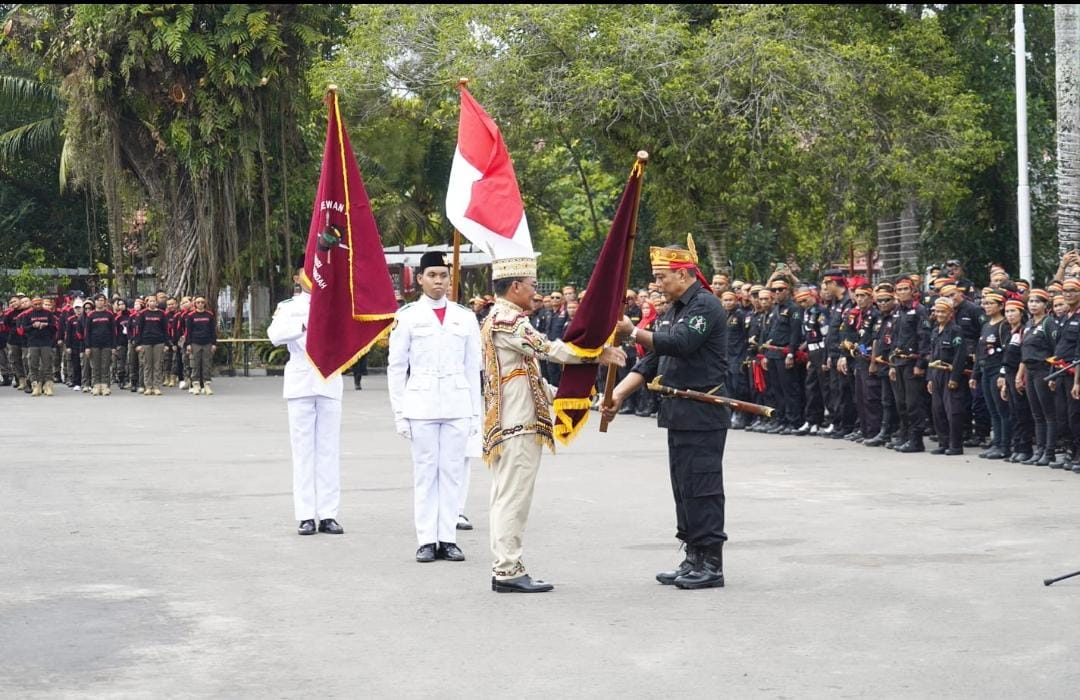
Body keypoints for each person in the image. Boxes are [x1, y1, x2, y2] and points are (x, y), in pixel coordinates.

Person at [482, 254, 625, 593]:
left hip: (516, 419)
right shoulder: (507, 319)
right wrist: (596, 352)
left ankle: (507, 565)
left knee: (509, 495)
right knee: (512, 498)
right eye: (532, 285)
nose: (536, 291)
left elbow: (529, 376)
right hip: (517, 423)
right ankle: (507, 570)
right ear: (515, 286)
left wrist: (577, 397)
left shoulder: (503, 317)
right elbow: (548, 349)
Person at [606, 239, 728, 590]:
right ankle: (692, 556)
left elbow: (680, 344)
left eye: (662, 277)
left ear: (684, 274)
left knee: (703, 487)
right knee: (683, 487)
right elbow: (652, 360)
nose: (658, 285)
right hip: (678, 412)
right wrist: (616, 394)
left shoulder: (705, 306)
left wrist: (633, 331)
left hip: (704, 410)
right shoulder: (673, 309)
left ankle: (711, 563)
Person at [388, 251, 482, 563]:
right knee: (425, 473)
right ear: (420, 279)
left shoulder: (465, 317)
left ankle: (448, 538)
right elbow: (397, 367)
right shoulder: (408, 316)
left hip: (456, 402)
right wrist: (400, 412)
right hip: (421, 404)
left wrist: (474, 414)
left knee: (452, 472)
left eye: (443, 275)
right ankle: (426, 539)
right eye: (432, 275)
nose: (438, 281)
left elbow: (472, 369)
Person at [267, 269, 345, 536]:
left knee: (328, 450)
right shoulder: (289, 307)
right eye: (306, 272)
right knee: (303, 452)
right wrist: (303, 325)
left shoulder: (337, 304)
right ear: (296, 277)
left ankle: (328, 514)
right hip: (301, 380)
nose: (312, 275)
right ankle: (305, 515)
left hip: (329, 378)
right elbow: (274, 335)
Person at [24, 296, 60, 397]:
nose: (38, 306)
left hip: (46, 343)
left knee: (47, 365)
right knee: (33, 365)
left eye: (39, 304)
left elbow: (54, 328)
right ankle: (35, 386)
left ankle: (48, 386)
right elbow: (24, 329)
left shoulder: (48, 313)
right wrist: (33, 326)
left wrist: (46, 325)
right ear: (32, 304)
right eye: (35, 304)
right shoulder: (28, 314)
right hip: (33, 343)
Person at [83, 294, 116, 396]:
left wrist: (113, 346)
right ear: (95, 302)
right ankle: (96, 385)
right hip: (94, 344)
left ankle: (105, 386)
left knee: (105, 366)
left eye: (102, 300)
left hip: (107, 344)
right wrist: (87, 347)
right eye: (98, 300)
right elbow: (87, 332)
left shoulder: (109, 315)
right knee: (95, 366)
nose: (100, 302)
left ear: (105, 302)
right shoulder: (91, 315)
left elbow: (113, 332)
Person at [136, 295, 169, 395]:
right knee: (147, 365)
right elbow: (139, 330)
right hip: (146, 342)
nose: (152, 303)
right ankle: (148, 387)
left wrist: (167, 344)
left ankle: (156, 386)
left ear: (157, 303)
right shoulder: (142, 314)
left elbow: (165, 330)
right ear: (147, 303)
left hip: (159, 342)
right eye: (150, 301)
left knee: (157, 365)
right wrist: (138, 344)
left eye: (154, 301)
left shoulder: (162, 314)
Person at [186, 296, 217, 395]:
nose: (200, 304)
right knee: (195, 364)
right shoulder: (191, 316)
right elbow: (188, 332)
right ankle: (196, 385)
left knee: (206, 364)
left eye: (202, 302)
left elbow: (213, 330)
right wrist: (188, 344)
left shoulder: (209, 315)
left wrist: (214, 344)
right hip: (195, 343)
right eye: (198, 302)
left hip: (207, 342)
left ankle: (207, 385)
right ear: (195, 304)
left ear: (205, 303)